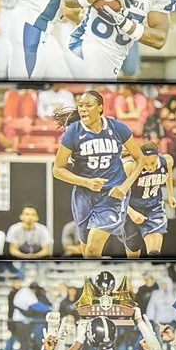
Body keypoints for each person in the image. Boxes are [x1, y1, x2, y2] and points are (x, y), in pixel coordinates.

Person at [53, 89, 134, 257]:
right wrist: (86, 182)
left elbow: (136, 157)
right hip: (85, 193)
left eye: (88, 106)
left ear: (100, 108)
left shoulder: (114, 129)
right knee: (86, 250)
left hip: (111, 193)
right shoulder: (73, 134)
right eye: (81, 106)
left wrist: (125, 185)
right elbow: (57, 169)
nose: (84, 109)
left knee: (92, 248)